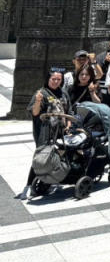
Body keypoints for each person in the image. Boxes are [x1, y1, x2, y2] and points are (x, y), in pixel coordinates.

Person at [18, 68, 68, 199]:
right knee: (41, 159)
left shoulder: (63, 93)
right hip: (44, 133)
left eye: (59, 79)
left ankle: (50, 181)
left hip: (60, 132)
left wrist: (68, 125)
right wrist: (38, 101)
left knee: (57, 156)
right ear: (48, 79)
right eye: (53, 79)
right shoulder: (41, 93)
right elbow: (34, 113)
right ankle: (28, 187)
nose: (56, 82)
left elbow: (69, 111)